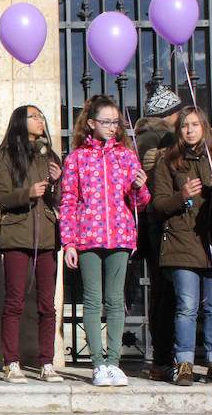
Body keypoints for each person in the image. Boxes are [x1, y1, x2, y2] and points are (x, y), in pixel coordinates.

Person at [60, 94, 149, 387]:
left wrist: (140, 186)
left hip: (120, 235)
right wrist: (69, 242)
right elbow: (68, 201)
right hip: (87, 237)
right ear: (91, 123)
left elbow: (140, 201)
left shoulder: (126, 155)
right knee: (92, 300)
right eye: (106, 122)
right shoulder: (76, 158)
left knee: (115, 301)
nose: (112, 127)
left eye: (115, 122)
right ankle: (98, 364)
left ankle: (114, 362)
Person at [150, 107, 212, 386]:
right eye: (185, 125)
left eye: (196, 125)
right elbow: (159, 204)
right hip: (182, 242)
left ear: (204, 128)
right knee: (186, 305)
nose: (189, 130)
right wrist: (182, 195)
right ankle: (184, 363)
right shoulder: (168, 161)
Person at [0, 106, 63, 383]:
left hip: (47, 236)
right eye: (34, 117)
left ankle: (47, 362)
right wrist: (28, 193)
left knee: (48, 305)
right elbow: (0, 198)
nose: (40, 120)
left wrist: (57, 183)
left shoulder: (51, 157)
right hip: (17, 236)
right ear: (21, 122)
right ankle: (10, 361)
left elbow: (60, 201)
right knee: (14, 302)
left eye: (41, 116)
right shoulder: (7, 155)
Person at [133, 85, 183, 381]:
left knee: (161, 293)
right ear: (171, 115)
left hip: (148, 223)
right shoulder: (162, 139)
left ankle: (162, 357)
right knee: (167, 294)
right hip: (162, 223)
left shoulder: (141, 137)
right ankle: (164, 358)